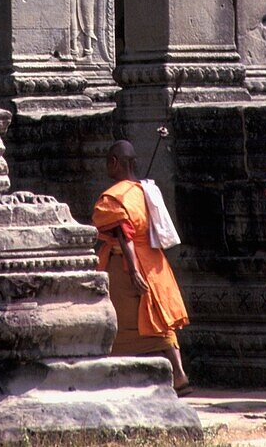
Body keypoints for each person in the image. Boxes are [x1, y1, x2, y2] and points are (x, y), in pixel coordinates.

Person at [91, 140, 191, 394]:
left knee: (120, 323)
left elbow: (125, 235)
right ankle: (177, 374)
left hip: (128, 267)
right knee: (158, 319)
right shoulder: (145, 192)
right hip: (156, 263)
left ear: (114, 162)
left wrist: (134, 270)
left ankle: (120, 378)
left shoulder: (116, 196)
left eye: (108, 163)